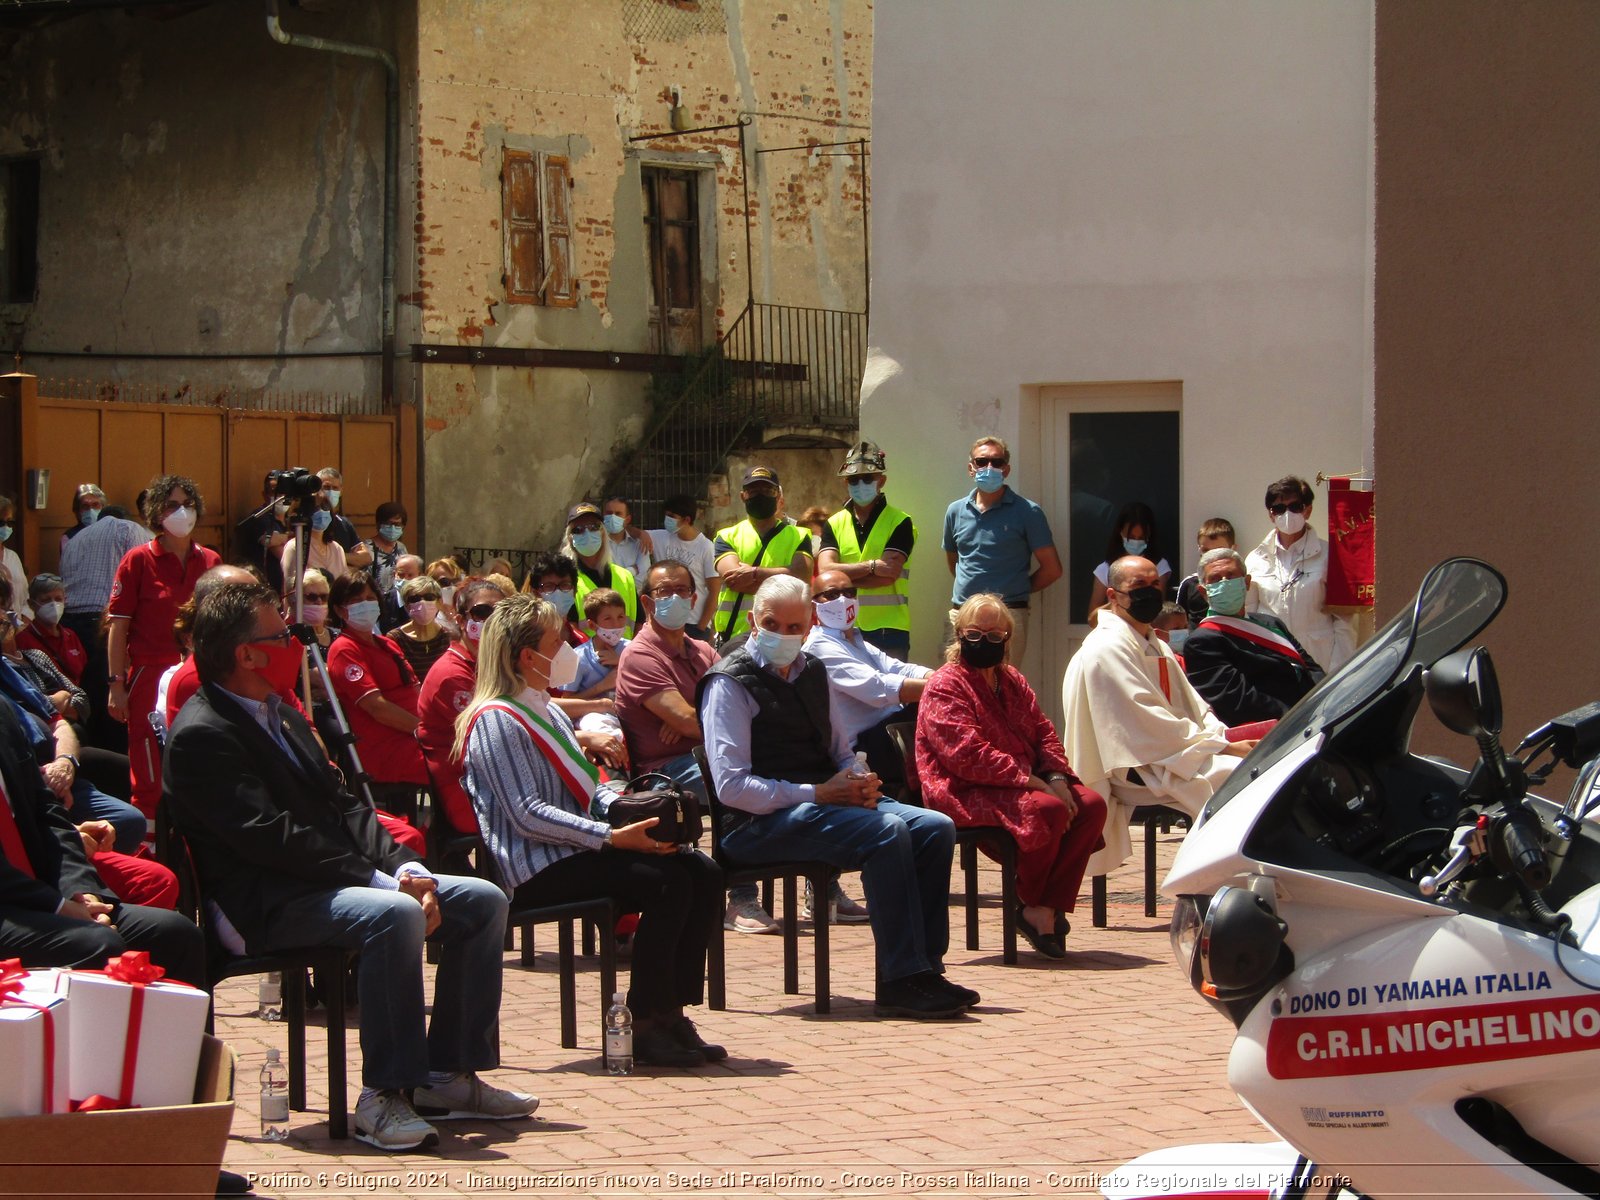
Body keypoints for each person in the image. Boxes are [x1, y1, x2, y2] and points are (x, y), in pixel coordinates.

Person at [164, 581, 535, 1150]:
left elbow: (346, 808)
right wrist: (383, 883)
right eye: (281, 635)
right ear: (246, 653)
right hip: (264, 903)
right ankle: (384, 1094)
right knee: (392, 915)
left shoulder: (279, 713)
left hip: (325, 883)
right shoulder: (202, 734)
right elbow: (273, 840)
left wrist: (411, 872)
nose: (296, 643)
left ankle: (447, 1076)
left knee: (483, 898)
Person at [458, 593, 725, 1067]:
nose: (566, 651)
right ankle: (642, 1021)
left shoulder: (549, 708)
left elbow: (588, 787)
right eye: (557, 643)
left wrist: (626, 807)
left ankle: (671, 1010)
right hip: (536, 866)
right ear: (526, 656)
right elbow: (527, 814)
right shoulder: (496, 720)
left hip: (577, 849)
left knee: (699, 869)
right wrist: (609, 837)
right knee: (666, 881)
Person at [698, 575, 977, 1019]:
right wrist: (818, 792)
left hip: (823, 801)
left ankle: (925, 968)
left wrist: (858, 779)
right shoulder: (729, 684)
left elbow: (841, 751)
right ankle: (900, 977)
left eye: (795, 627)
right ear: (754, 620)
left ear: (809, 627)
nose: (785, 636)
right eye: (774, 624)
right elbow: (732, 786)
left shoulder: (814, 672)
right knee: (886, 834)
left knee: (933, 826)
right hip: (756, 824)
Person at [916, 595, 1106, 959]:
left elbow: (1044, 732)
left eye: (993, 634)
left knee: (1092, 806)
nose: (983, 641)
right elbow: (965, 755)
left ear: (1007, 639)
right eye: (975, 633)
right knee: (1047, 810)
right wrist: (1033, 782)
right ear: (959, 635)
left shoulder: (1013, 680)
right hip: (963, 787)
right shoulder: (946, 684)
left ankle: (1043, 906)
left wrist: (1057, 777)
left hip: (1024, 781)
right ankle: (1032, 902)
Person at [1061, 556, 1255, 874]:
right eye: (1138, 586)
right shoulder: (1106, 648)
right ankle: (1210, 880)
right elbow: (1146, 724)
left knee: (1255, 773)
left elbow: (1194, 706)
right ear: (1112, 595)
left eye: (1154, 584)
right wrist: (1223, 747)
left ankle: (1233, 875)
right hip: (1133, 766)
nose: (1149, 592)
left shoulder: (1154, 643)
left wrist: (1218, 736)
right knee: (1240, 780)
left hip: (1169, 754)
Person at [0, 690, 203, 982]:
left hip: (38, 896)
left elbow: (47, 813)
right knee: (98, 945)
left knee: (177, 934)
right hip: (10, 907)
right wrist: (59, 907)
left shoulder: (3, 711)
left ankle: (172, 1030)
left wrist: (82, 894)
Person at [1, 574, 146, 855]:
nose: (7, 621)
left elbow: (77, 702)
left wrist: (65, 763)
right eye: (46, 601)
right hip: (33, 781)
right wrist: (60, 700)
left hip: (62, 758)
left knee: (129, 799)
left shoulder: (34, 658)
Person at [105, 474, 222, 820]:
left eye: (187, 504)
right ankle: (152, 845)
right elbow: (119, 625)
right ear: (156, 512)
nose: (181, 512)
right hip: (149, 673)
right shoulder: (138, 560)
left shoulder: (211, 561)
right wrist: (116, 685)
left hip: (200, 674)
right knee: (148, 764)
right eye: (172, 505)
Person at [941, 436, 1061, 664]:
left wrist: (1016, 590)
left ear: (1006, 470)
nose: (989, 468)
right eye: (981, 461)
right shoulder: (955, 511)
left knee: (1003, 685)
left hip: (1007, 615)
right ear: (970, 468)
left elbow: (1052, 569)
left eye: (996, 463)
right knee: (958, 684)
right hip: (962, 613)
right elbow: (953, 561)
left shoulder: (1028, 512)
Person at [326, 570, 430, 821]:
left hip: (414, 737)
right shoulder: (344, 650)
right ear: (340, 610)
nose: (366, 604)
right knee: (455, 765)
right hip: (387, 747)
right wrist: (424, 730)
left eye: (370, 598)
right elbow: (376, 707)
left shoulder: (386, 643)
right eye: (356, 600)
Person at [1183, 548, 1322, 725]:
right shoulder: (1201, 642)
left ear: (1247, 583)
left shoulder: (1271, 624)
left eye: (1231, 576)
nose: (1225, 582)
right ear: (1203, 591)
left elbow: (1310, 667)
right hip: (1279, 727)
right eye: (1216, 579)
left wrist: (1326, 698)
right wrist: (1294, 717)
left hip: (1313, 715)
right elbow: (1237, 700)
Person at [417, 579, 507, 838]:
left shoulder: (491, 662)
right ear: (460, 619)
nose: (491, 619)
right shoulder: (453, 674)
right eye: (482, 612)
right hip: (465, 786)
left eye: (499, 612)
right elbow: (490, 738)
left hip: (486, 775)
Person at [58, 502, 150, 753]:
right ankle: (115, 760)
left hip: (69, 625)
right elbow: (148, 568)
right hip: (105, 623)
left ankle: (89, 756)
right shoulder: (127, 529)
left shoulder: (74, 538)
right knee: (112, 702)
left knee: (85, 698)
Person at [815, 441, 917, 660]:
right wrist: (872, 567)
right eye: (854, 479)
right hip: (842, 625)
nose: (860, 484)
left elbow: (888, 574)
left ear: (882, 480)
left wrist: (839, 580)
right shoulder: (834, 523)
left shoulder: (900, 522)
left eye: (867, 478)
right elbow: (824, 569)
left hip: (888, 628)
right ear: (845, 482)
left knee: (892, 692)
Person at [1245, 476, 1357, 673]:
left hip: (1320, 660)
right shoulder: (1255, 560)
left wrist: (1339, 670)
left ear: (1308, 509)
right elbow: (1248, 615)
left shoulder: (1331, 556)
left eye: (1295, 506)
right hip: (1273, 662)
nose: (1287, 514)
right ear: (1271, 515)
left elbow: (1344, 620)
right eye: (1279, 509)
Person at [712, 466, 812, 644]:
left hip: (782, 636)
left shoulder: (799, 535)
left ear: (778, 496)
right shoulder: (726, 536)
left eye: (768, 490)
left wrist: (754, 573)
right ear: (743, 496)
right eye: (753, 491)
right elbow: (733, 580)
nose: (760, 496)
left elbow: (801, 577)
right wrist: (785, 579)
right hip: (734, 638)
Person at [645, 494, 719, 640]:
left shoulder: (706, 548)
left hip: (693, 623)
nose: (667, 520)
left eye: (672, 516)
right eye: (666, 515)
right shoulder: (662, 537)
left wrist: (701, 626)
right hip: (666, 620)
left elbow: (714, 591)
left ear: (686, 520)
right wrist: (641, 536)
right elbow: (634, 533)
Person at [562, 503, 640, 636]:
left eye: (594, 527)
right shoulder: (566, 581)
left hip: (625, 654)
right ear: (570, 537)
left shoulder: (625, 576)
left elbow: (639, 622)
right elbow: (569, 630)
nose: (587, 533)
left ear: (603, 532)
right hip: (586, 655)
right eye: (578, 529)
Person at [561, 587, 629, 739]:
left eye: (620, 617)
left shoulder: (632, 649)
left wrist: (622, 662)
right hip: (596, 716)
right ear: (592, 625)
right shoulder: (578, 657)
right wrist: (602, 686)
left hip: (628, 712)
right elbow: (566, 703)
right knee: (596, 724)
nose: (616, 624)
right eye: (608, 619)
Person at [1090, 502, 1170, 618]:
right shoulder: (1105, 569)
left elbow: (1159, 610)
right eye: (1131, 537)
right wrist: (1119, 600)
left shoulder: (1159, 566)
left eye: (1141, 538)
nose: (1136, 542)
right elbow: (1092, 617)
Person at [17, 573, 87, 684]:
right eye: (45, 600)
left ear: (65, 600)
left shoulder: (71, 636)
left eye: (58, 599)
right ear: (31, 604)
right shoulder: (23, 640)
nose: (53, 605)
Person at [1174, 517, 1237, 627]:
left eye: (1219, 550)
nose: (1212, 556)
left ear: (1232, 549)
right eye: (1206, 550)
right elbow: (1177, 621)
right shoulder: (1189, 584)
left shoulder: (1239, 584)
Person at [236, 472, 290, 595]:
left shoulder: (291, 521)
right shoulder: (260, 516)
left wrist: (283, 538)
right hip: (264, 589)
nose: (280, 496)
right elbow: (280, 551)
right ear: (264, 495)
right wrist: (291, 537)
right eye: (274, 491)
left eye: (283, 491)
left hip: (285, 590)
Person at [280, 496, 348, 590]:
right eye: (315, 509)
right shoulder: (295, 547)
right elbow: (290, 587)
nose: (321, 512)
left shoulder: (337, 549)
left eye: (324, 508)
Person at [392, 575, 450, 681]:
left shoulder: (449, 637)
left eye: (429, 597)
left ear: (440, 602)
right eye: (415, 599)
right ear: (406, 606)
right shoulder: (395, 639)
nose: (422, 602)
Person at [316, 467, 372, 569]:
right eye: (327, 487)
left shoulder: (344, 523)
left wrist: (336, 556)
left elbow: (365, 558)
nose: (331, 491)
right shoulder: (312, 520)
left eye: (335, 488)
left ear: (341, 491)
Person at [366, 502, 410, 632]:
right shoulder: (367, 548)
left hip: (398, 608)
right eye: (389, 524)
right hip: (376, 609)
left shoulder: (401, 548)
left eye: (397, 524)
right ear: (379, 524)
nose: (393, 528)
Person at [600, 497, 651, 592]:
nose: (613, 517)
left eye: (618, 514)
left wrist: (615, 577)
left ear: (627, 519)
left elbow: (642, 579)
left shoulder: (639, 543)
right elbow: (601, 576)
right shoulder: (597, 543)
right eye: (609, 513)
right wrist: (633, 570)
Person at [0, 494, 29, 621]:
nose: (5, 527)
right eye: (0, 522)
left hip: (15, 630)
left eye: (9, 522)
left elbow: (25, 597)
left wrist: (23, 622)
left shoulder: (13, 557)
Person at [60, 483, 106, 554]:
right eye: (85, 506)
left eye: (95, 505)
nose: (91, 510)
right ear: (77, 511)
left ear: (103, 507)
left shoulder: (111, 532)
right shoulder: (69, 537)